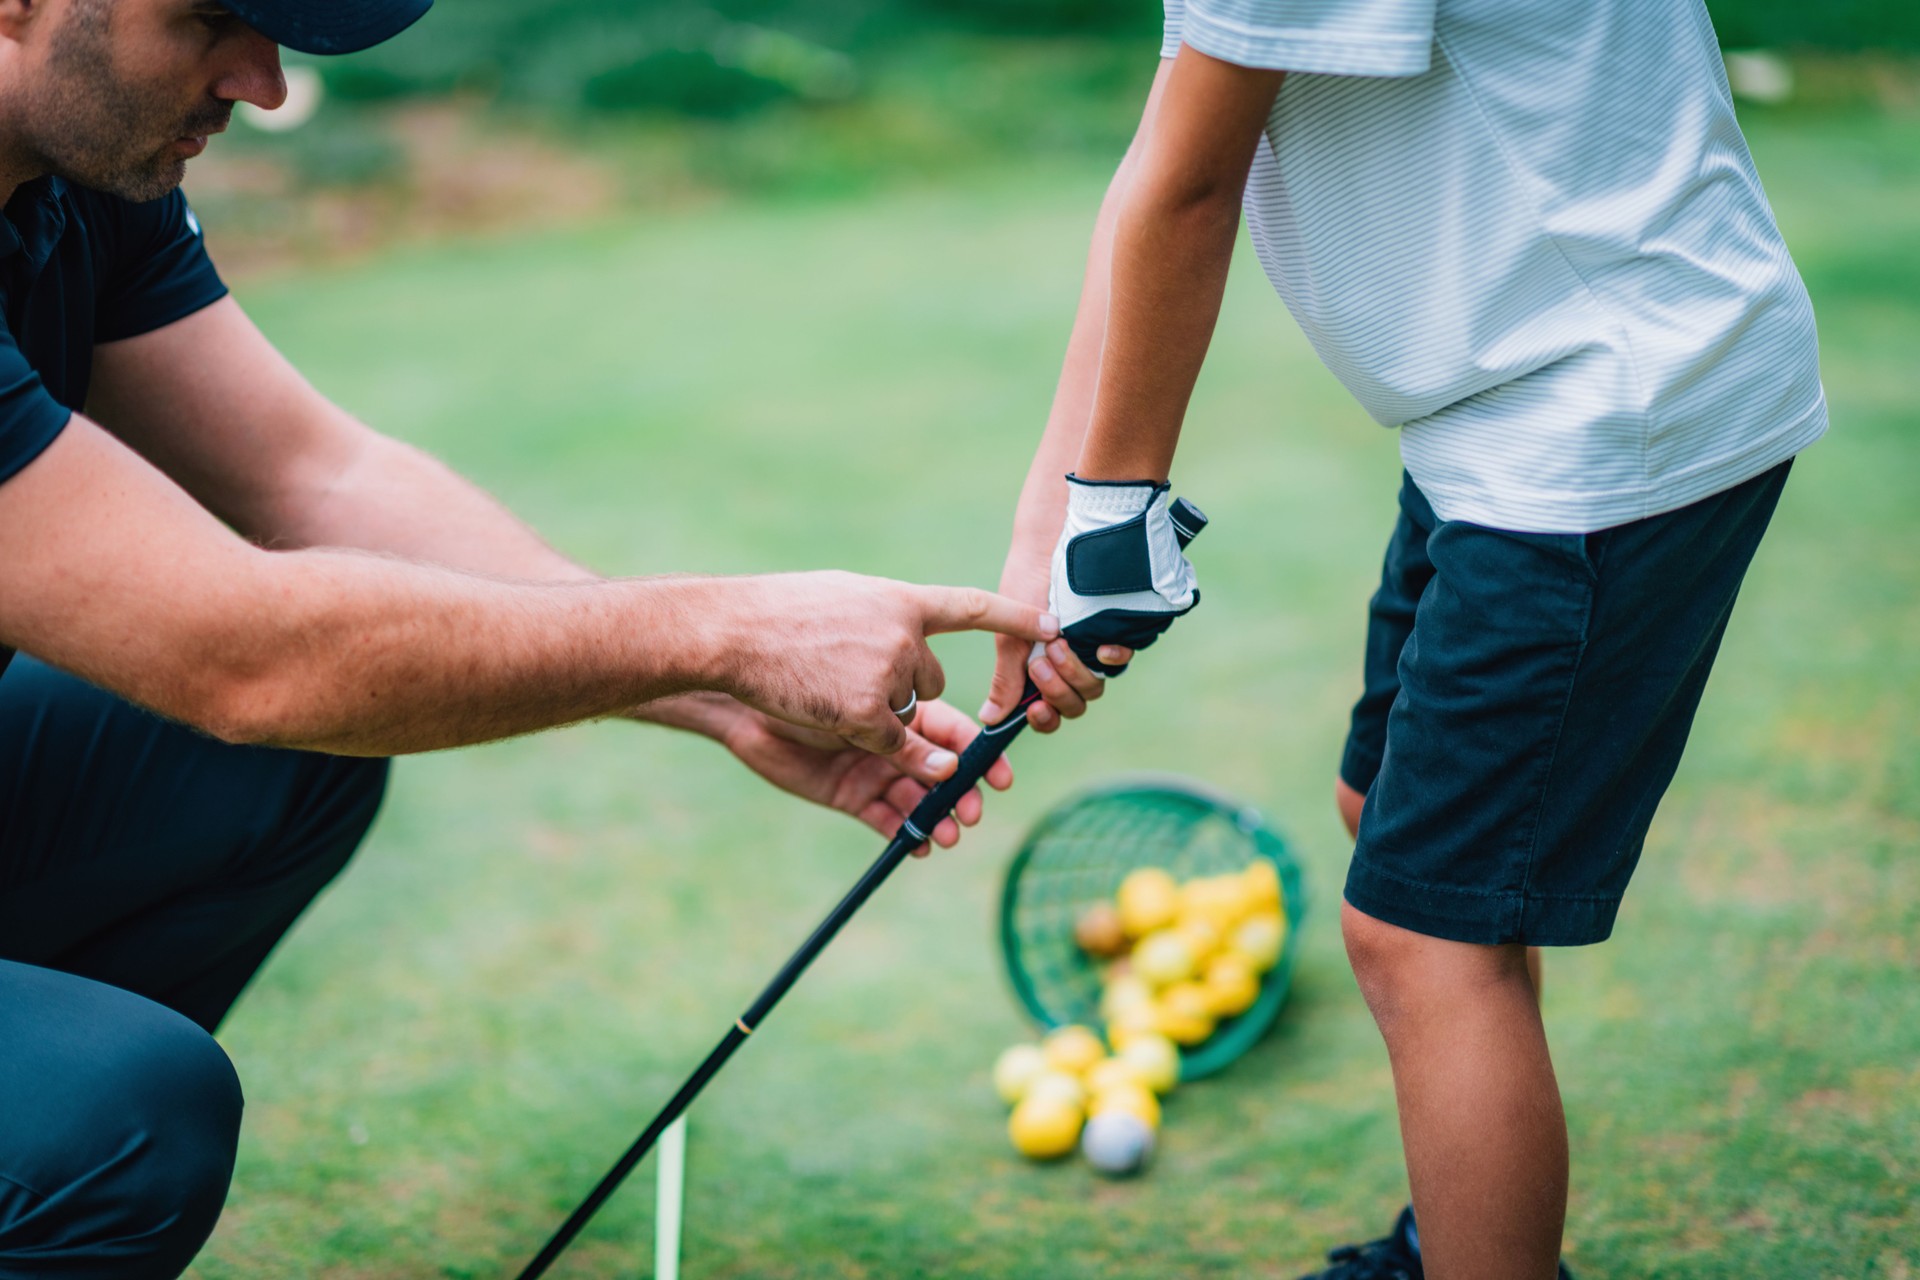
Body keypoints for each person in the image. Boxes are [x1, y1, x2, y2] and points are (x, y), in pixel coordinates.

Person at [0, 1, 1095, 1275]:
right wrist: (725, 631)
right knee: (123, 1116)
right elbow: (243, 656)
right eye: (212, 18)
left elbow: (314, 475)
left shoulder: (80, 179)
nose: (267, 85)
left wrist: (720, 695)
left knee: (280, 762)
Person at [984, 0, 1825, 1276]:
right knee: (1382, 814)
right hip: (1513, 400)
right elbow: (1167, 150)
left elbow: (1195, 188)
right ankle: (1460, 1240)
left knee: (1424, 932)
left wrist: (1116, 519)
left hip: (1603, 406)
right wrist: (1054, 527)